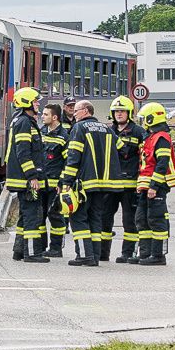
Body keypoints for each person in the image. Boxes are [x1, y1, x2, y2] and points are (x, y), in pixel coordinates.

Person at [61, 99, 120, 266]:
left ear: (86, 111)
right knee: (95, 219)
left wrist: (67, 181)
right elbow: (122, 147)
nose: (74, 114)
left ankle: (84, 256)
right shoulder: (107, 129)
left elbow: (73, 156)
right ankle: (94, 256)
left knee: (78, 218)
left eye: (77, 111)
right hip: (104, 184)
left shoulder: (79, 128)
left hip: (85, 183)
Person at [3, 87, 52, 263]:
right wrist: (32, 177)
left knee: (25, 215)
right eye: (35, 101)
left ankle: (19, 250)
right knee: (33, 215)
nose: (38, 104)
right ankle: (32, 253)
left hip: (22, 178)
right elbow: (23, 152)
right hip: (26, 179)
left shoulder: (22, 121)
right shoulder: (24, 122)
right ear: (26, 103)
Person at [133, 101, 175, 266]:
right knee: (142, 219)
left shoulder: (162, 138)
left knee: (156, 219)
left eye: (144, 118)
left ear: (151, 119)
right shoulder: (150, 137)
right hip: (146, 186)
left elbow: (162, 163)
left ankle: (158, 255)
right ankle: (145, 253)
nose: (142, 121)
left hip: (155, 187)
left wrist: (154, 186)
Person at [109, 96, 144, 262]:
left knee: (129, 221)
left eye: (122, 111)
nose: (119, 114)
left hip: (130, 184)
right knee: (104, 218)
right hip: (109, 183)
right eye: (116, 111)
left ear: (129, 113)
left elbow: (144, 158)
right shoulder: (109, 131)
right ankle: (102, 253)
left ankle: (127, 253)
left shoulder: (138, 132)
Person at [37, 101, 72, 257]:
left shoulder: (64, 137)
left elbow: (68, 162)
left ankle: (56, 248)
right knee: (40, 216)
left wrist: (62, 183)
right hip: (41, 183)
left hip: (55, 185)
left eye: (45, 114)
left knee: (55, 217)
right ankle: (40, 246)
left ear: (55, 117)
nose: (42, 116)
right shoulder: (41, 132)